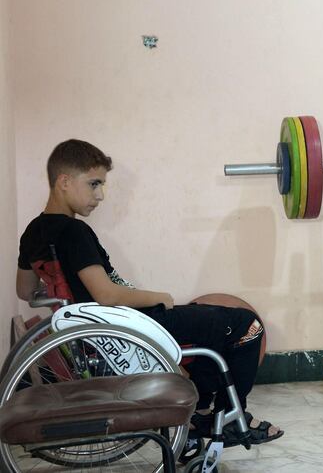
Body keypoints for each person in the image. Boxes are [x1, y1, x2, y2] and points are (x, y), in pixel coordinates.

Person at [16, 139, 283, 449]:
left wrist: (62, 290)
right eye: (94, 184)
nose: (100, 195)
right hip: (125, 328)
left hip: (97, 333)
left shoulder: (33, 233)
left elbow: (25, 290)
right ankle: (229, 419)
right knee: (246, 326)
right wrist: (160, 297)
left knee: (211, 325)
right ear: (64, 181)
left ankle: (199, 416)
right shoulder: (73, 232)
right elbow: (105, 294)